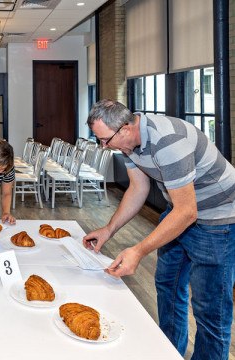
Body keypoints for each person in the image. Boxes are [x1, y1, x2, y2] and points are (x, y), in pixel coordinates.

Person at [83, 99, 235, 360]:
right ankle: (169, 353)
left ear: (125, 128)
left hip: (217, 220)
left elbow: (187, 212)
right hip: (180, 209)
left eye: (105, 140)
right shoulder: (130, 145)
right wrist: (109, 230)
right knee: (168, 285)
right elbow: (138, 188)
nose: (103, 146)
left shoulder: (168, 141)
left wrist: (138, 251)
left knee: (210, 309)